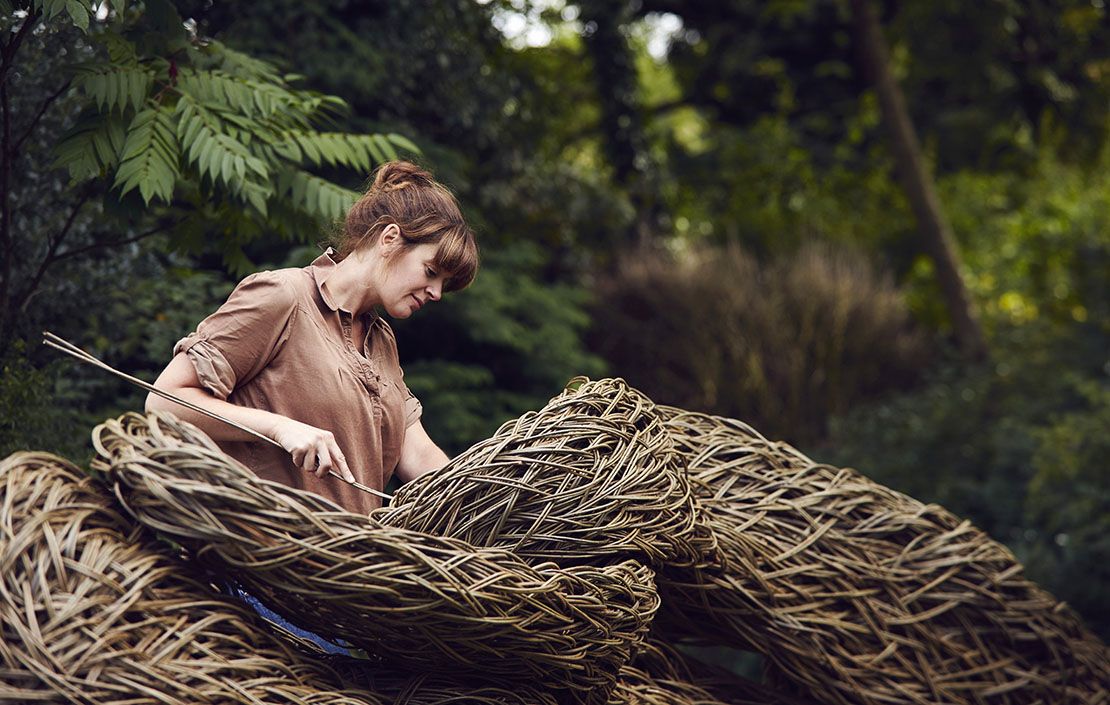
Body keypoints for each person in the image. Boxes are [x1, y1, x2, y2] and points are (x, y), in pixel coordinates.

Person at [147, 161, 478, 515]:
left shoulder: (382, 342)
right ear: (390, 239)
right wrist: (279, 428)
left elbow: (418, 454)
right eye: (431, 272)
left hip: (343, 564)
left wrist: (484, 499)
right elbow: (164, 401)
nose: (436, 293)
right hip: (256, 557)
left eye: (445, 284)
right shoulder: (282, 295)